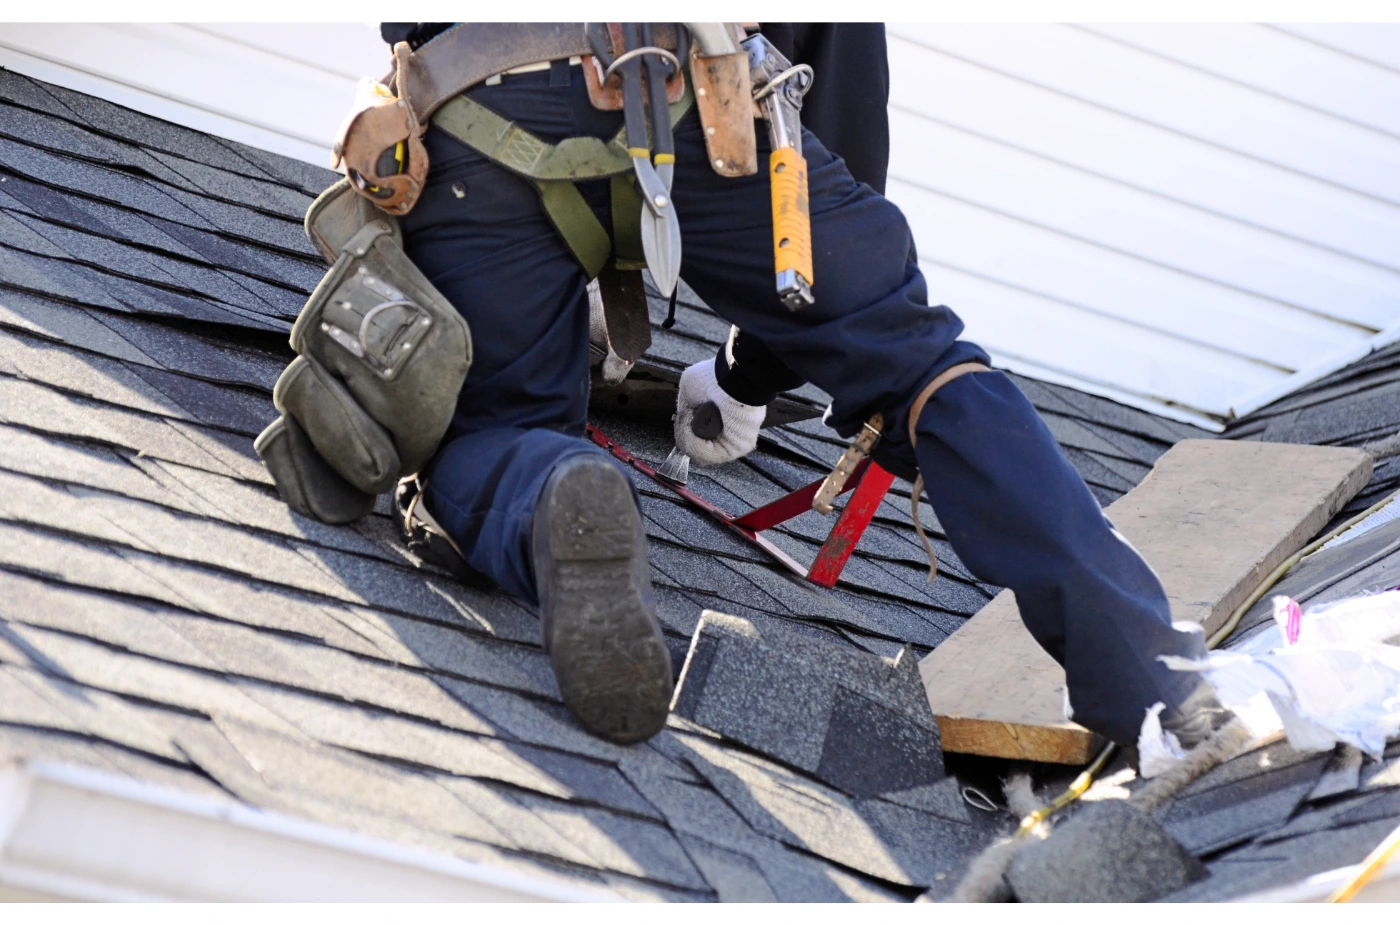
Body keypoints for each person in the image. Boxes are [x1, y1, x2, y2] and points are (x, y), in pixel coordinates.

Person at [372, 23, 1222, 748]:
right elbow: (838, 96)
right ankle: (1151, 680)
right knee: (920, 367)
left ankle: (549, 490)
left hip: (475, 123)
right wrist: (751, 374)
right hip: (696, 91)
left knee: (485, 426)